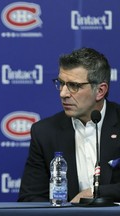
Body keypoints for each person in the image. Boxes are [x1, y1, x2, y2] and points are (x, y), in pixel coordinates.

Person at [18, 47, 120, 203]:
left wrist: (94, 192)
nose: (63, 93)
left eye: (74, 86)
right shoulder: (44, 132)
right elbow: (30, 198)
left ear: (100, 91)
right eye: (61, 83)